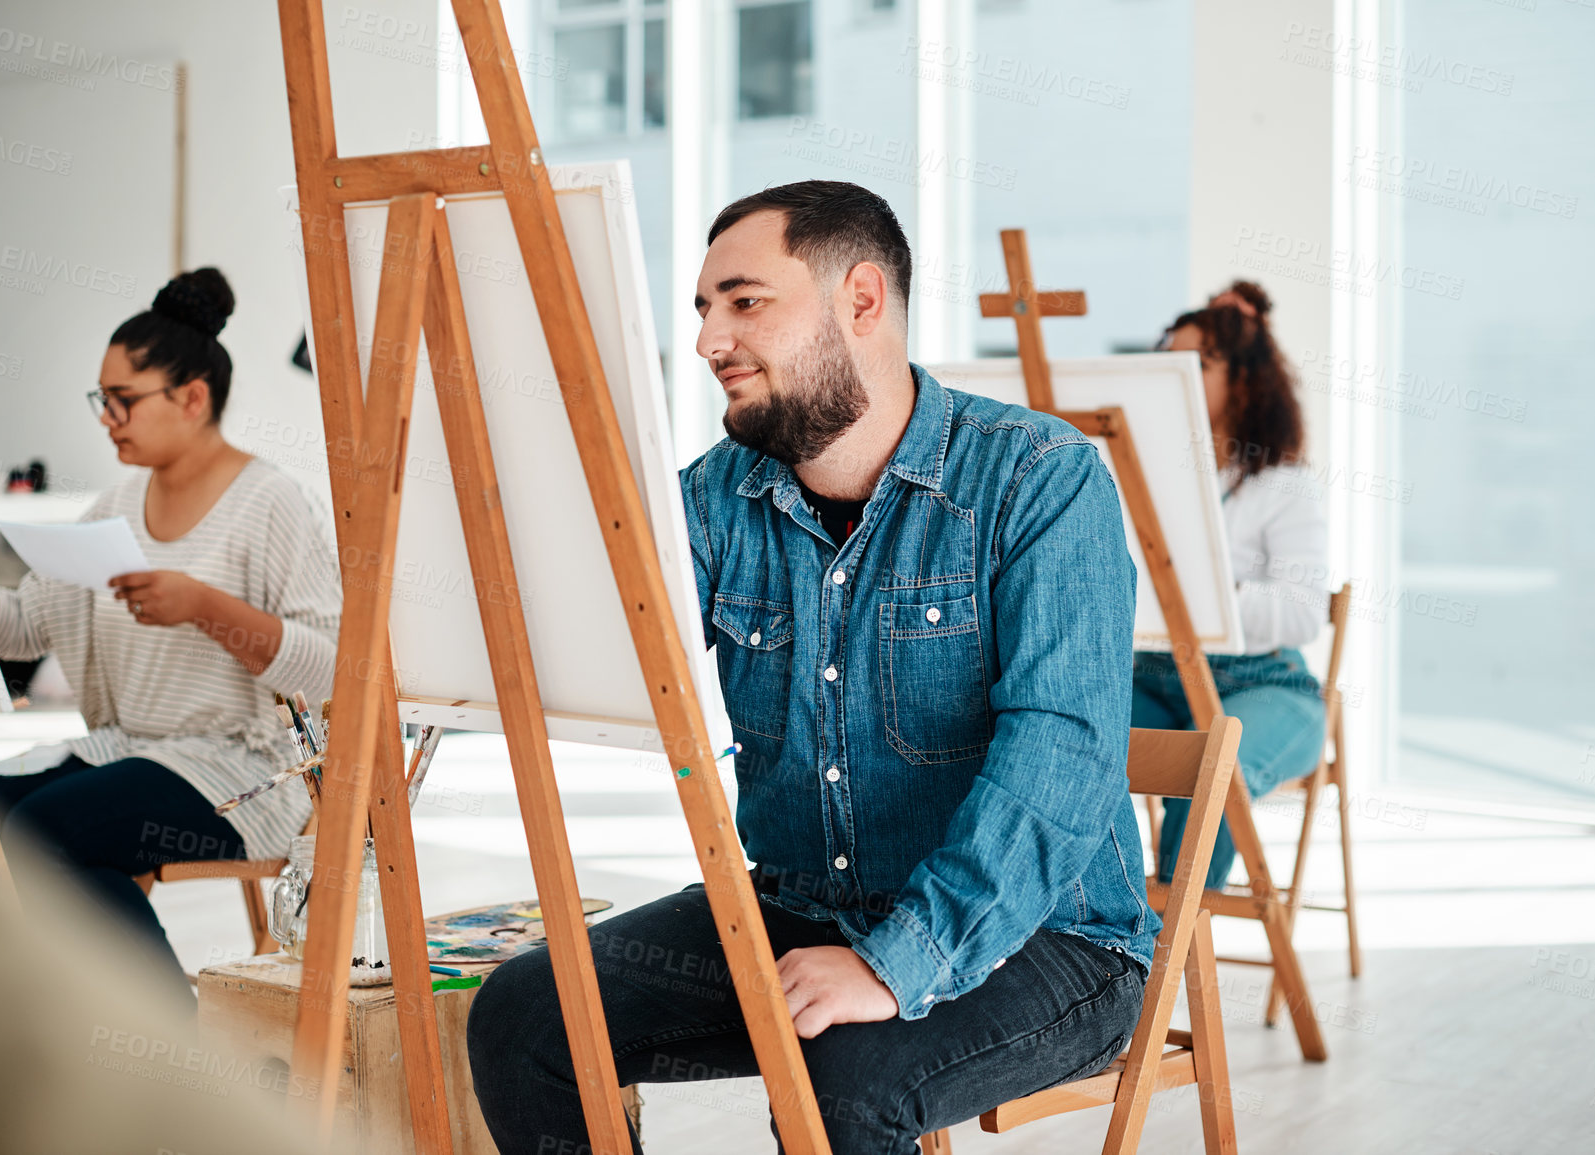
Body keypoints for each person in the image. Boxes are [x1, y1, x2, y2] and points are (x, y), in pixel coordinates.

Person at [467, 181, 1157, 1153]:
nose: (710, 340)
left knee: (845, 1078)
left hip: (1046, 932)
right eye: (704, 310)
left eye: (744, 302)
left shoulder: (1039, 479)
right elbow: (597, 652)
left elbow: (1061, 760)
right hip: (803, 905)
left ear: (861, 302)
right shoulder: (717, 494)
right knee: (528, 1019)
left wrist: (893, 965)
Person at [0, 268, 340, 996]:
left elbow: (330, 671)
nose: (107, 417)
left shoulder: (275, 503)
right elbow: (32, 623)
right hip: (131, 750)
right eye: (103, 400)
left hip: (243, 774)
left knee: (46, 831)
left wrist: (202, 604)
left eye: (122, 399)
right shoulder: (117, 503)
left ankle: (155, 1034)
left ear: (192, 398)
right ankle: (55, 1021)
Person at [1140, 280, 1330, 891]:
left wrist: (1200, 595)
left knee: (1217, 768)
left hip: (1264, 684)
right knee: (1052, 733)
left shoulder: (1283, 485)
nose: (1177, 374)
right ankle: (1083, 928)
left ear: (1245, 381)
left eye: (1199, 362)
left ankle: (1164, 939)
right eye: (1167, 358)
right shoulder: (1143, 475)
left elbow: (1303, 614)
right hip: (1155, 676)